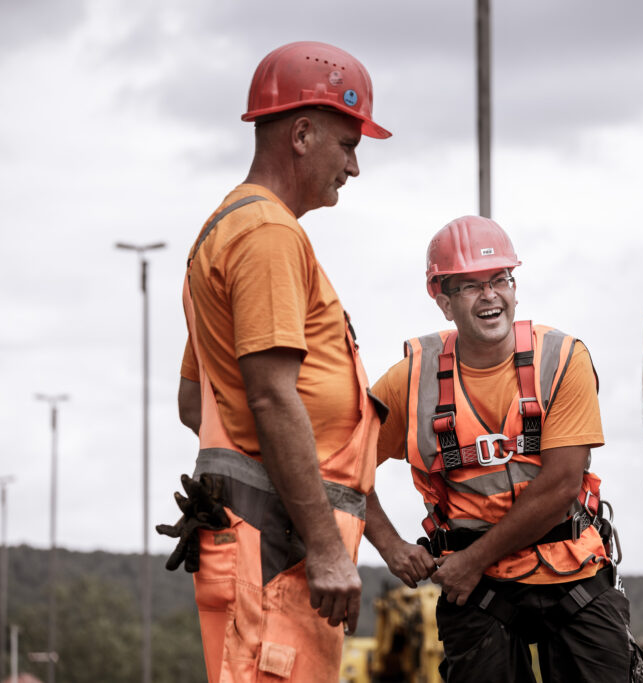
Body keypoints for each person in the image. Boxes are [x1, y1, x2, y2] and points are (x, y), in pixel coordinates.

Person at [161, 41, 391, 682]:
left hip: (255, 544)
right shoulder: (268, 235)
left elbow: (194, 402)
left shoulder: (226, 229)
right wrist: (322, 545)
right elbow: (270, 397)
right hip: (279, 553)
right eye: (348, 145)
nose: (353, 166)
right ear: (302, 133)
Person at [364, 215, 643, 682]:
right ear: (443, 298)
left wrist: (471, 562)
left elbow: (560, 485)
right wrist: (391, 547)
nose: (491, 294)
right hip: (478, 591)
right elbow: (338, 466)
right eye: (471, 285)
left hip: (569, 570)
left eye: (500, 279)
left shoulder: (562, 359)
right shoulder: (411, 383)